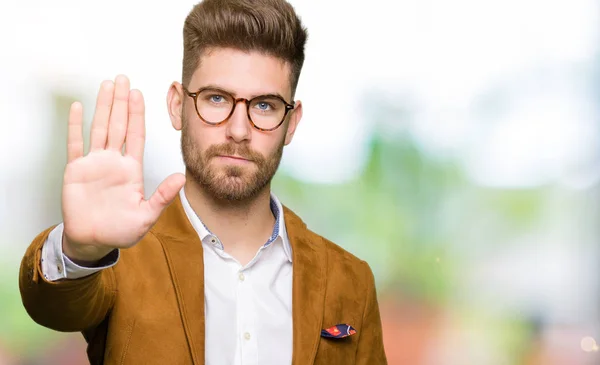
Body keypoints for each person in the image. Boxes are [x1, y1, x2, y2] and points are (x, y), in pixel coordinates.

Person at [18, 0, 387, 364]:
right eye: (215, 98)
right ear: (178, 105)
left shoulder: (350, 281)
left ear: (291, 122)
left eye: (264, 105)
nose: (239, 130)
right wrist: (80, 250)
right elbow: (53, 309)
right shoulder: (118, 255)